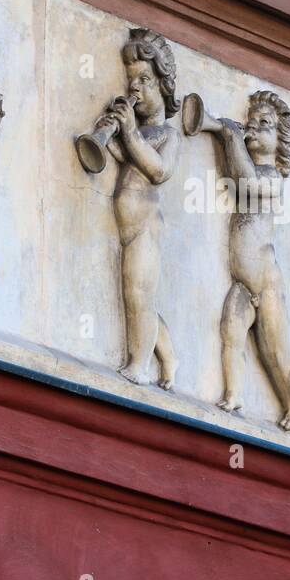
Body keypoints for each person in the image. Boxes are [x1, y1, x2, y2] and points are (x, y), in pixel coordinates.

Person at [210, 90, 290, 431]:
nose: (253, 129)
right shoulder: (247, 168)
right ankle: (234, 394)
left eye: (264, 125)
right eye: (250, 124)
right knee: (230, 333)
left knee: (275, 351)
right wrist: (229, 137)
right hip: (242, 278)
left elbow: (246, 183)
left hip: (265, 280)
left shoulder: (272, 178)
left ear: (280, 141)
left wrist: (230, 136)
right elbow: (237, 176)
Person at [96, 28, 181, 388]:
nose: (135, 88)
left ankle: (138, 365)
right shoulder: (139, 134)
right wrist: (108, 138)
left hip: (145, 226)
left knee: (138, 295)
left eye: (144, 79)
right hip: (127, 228)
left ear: (164, 85)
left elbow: (158, 171)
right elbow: (127, 163)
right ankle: (168, 355)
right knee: (137, 294)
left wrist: (128, 133)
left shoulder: (166, 135)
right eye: (132, 81)